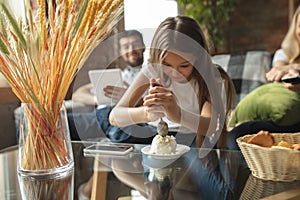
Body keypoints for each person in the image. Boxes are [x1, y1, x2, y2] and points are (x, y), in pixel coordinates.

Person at [109, 15, 236, 148]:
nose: (175, 73)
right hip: (155, 135)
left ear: (199, 57)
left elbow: (209, 127)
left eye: (184, 65)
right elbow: (114, 116)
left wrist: (178, 115)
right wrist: (146, 114)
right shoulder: (152, 70)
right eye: (167, 65)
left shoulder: (211, 77)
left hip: (194, 139)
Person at [226, 7, 300, 150]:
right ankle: (246, 171)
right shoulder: (284, 54)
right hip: (282, 121)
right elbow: (277, 70)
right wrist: (289, 72)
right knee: (238, 134)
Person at [68, 29, 145, 140]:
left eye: (135, 44)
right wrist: (98, 99)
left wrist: (129, 98)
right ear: (120, 51)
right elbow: (78, 94)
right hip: (98, 117)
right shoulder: (114, 77)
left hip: (125, 116)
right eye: (126, 46)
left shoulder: (150, 76)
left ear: (143, 46)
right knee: (62, 123)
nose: (131, 50)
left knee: (120, 132)